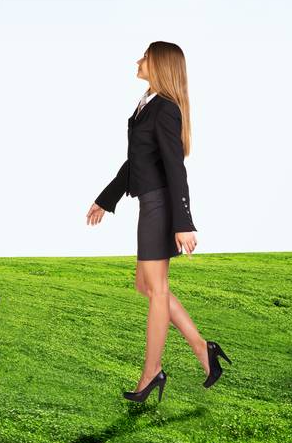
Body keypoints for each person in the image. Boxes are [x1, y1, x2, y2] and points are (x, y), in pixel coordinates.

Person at [85, 40, 229, 403]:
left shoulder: (164, 109)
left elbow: (174, 167)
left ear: (160, 64)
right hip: (150, 205)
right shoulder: (146, 106)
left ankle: (152, 372)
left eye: (145, 57)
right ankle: (203, 349)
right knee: (148, 287)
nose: (138, 60)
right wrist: (107, 198)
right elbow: (136, 162)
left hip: (161, 207)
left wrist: (184, 222)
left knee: (156, 291)